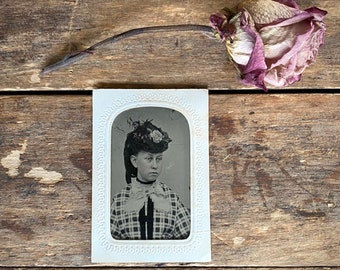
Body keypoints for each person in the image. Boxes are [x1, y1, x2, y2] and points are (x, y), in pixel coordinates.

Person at [110, 120, 190, 240]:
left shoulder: (171, 199)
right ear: (134, 161)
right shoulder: (119, 201)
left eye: (158, 159)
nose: (155, 165)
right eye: (149, 158)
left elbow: (187, 240)